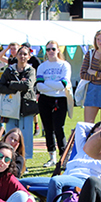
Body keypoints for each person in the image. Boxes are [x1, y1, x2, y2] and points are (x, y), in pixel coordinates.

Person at [36, 122, 101, 202]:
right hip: (66, 178)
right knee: (21, 183)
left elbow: (99, 167)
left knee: (55, 181)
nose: (97, 137)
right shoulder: (84, 147)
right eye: (95, 133)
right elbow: (80, 125)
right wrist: (97, 130)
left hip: (83, 182)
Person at [0, 45, 38, 160]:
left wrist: (10, 84)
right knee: (10, 135)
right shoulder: (9, 70)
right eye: (20, 54)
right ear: (16, 55)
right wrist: (17, 85)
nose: (22, 56)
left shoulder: (31, 70)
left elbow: (28, 86)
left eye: (25, 54)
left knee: (26, 136)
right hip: (11, 108)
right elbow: (0, 87)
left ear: (29, 56)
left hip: (27, 107)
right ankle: (9, 158)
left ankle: (24, 160)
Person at [36, 40, 71, 168]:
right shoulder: (42, 66)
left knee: (59, 128)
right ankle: (51, 157)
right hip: (45, 100)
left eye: (53, 49)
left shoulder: (64, 65)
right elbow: (39, 86)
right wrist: (53, 86)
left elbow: (63, 84)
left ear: (58, 50)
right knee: (48, 128)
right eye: (48, 49)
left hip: (60, 99)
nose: (51, 52)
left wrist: (48, 84)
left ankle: (64, 156)